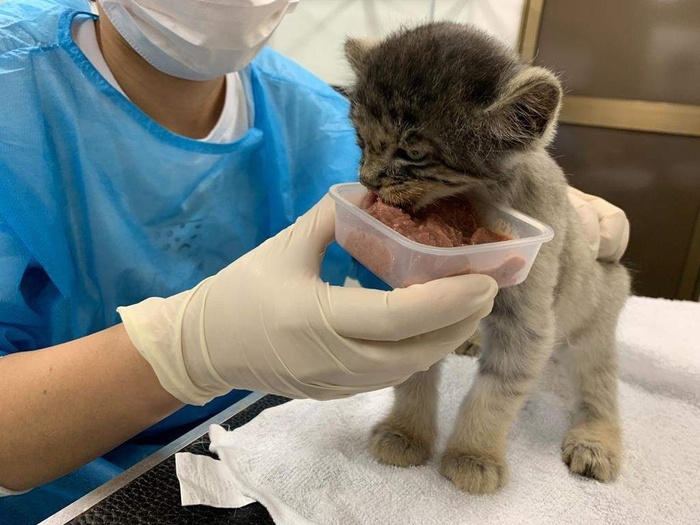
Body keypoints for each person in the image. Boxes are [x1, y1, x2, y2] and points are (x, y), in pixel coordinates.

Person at [0, 0, 630, 522]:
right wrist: (184, 350)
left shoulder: (312, 106)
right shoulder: (16, 93)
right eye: (367, 149)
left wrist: (542, 200)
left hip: (259, 451)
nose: (373, 177)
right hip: (65, 496)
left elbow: (460, 168)